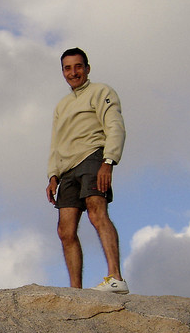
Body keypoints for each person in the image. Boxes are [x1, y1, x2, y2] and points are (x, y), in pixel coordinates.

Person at [46, 47, 129, 294]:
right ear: (63, 72)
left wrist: (109, 161)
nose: (73, 72)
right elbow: (56, 142)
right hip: (67, 169)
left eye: (78, 66)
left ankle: (116, 277)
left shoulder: (101, 92)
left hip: (93, 157)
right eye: (68, 68)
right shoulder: (62, 105)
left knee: (96, 211)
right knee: (65, 230)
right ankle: (75, 291)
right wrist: (52, 175)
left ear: (87, 68)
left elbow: (115, 126)